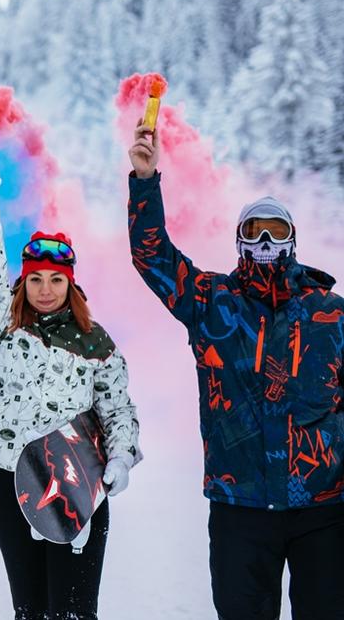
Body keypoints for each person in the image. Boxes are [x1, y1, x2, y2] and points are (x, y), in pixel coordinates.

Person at [128, 122, 344, 619]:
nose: (265, 240)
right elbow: (152, 256)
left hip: (324, 507)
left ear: (293, 241)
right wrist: (144, 181)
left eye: (276, 230)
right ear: (239, 240)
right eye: (254, 229)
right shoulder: (211, 302)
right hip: (239, 505)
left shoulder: (330, 313)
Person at [0, 131, 141, 620]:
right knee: (30, 612)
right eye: (36, 279)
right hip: (10, 484)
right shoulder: (6, 325)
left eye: (56, 280)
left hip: (76, 487)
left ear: (71, 283)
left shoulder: (95, 341)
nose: (45, 290)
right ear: (24, 281)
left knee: (73, 613)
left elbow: (118, 409)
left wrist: (122, 455)